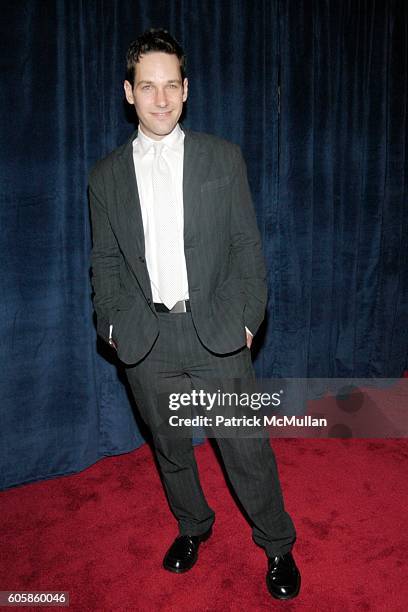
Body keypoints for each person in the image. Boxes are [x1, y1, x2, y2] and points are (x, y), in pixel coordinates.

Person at [89, 28, 300, 600]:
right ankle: (192, 526)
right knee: (170, 448)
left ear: (186, 90)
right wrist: (113, 325)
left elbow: (247, 250)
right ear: (128, 92)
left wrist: (246, 321)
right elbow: (105, 263)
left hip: (217, 333)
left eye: (171, 86)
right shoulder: (105, 176)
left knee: (245, 448)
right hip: (146, 340)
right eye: (148, 86)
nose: (161, 99)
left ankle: (277, 544)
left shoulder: (222, 157)